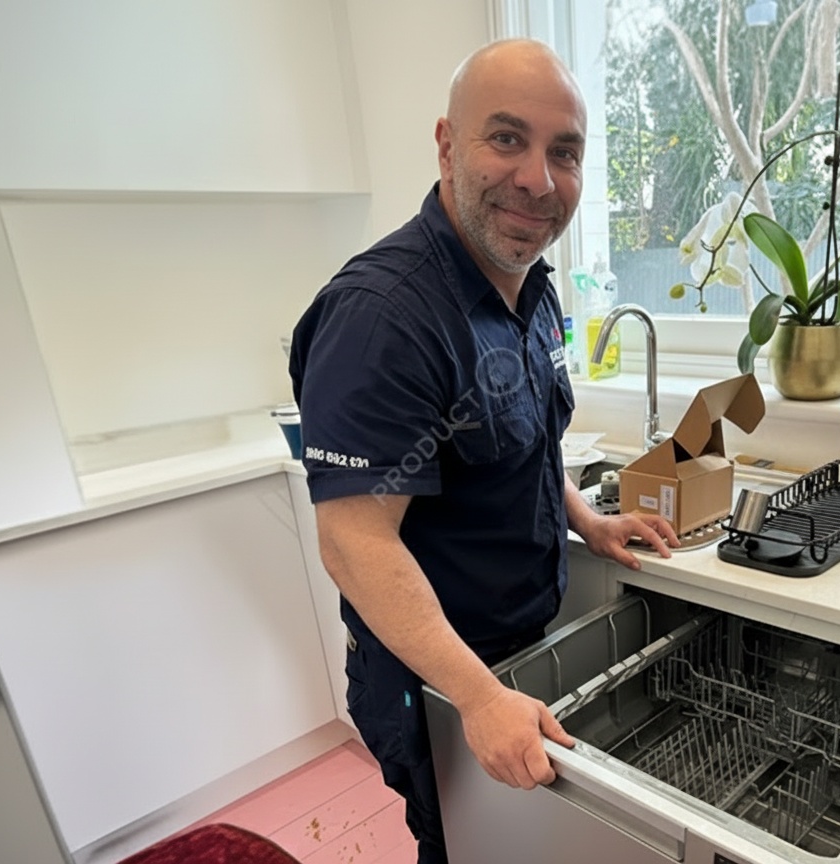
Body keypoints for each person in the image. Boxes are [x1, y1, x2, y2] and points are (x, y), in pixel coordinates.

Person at [288, 39, 679, 864]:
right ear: (445, 144)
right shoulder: (384, 318)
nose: (538, 179)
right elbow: (354, 541)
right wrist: (477, 695)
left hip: (514, 651)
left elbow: (530, 441)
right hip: (431, 680)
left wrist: (588, 521)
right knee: (465, 848)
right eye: (507, 139)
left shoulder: (529, 286)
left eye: (562, 152)